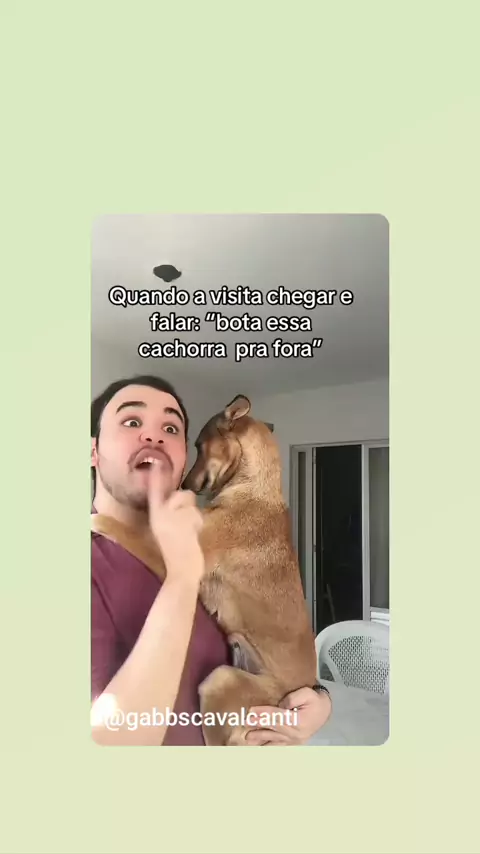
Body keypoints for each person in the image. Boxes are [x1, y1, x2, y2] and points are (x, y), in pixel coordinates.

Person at [90, 374, 331, 745]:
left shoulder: (205, 536)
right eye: (132, 421)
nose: (154, 436)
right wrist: (182, 579)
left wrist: (318, 698)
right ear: (92, 451)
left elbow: (273, 635)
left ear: (182, 456)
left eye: (171, 428)